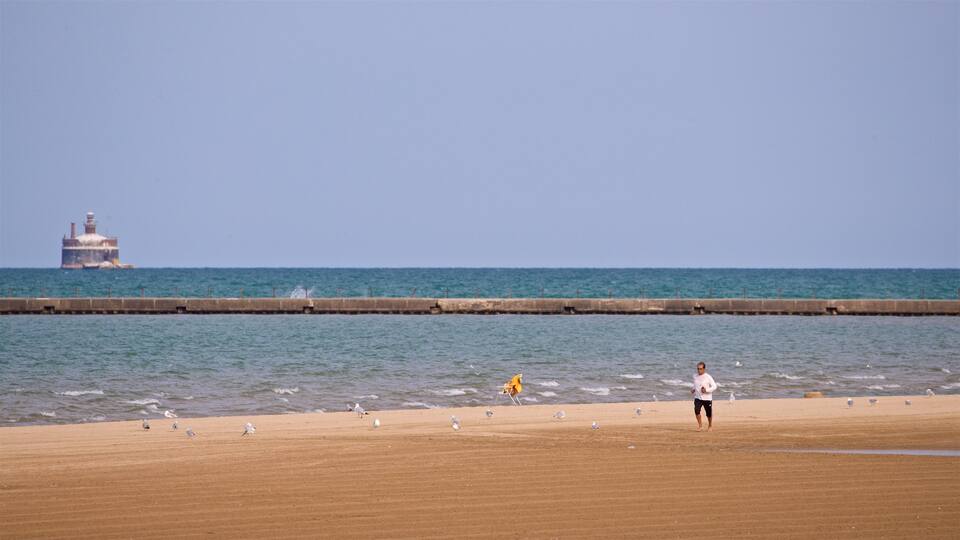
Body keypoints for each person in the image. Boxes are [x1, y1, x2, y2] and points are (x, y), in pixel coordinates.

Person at [690, 361, 717, 431]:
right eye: (698, 369)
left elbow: (714, 386)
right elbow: (695, 384)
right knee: (696, 411)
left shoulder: (708, 377)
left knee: (708, 414)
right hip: (698, 398)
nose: (699, 370)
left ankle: (710, 426)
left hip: (707, 398)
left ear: (704, 369)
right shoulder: (695, 376)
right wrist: (693, 389)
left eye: (701, 369)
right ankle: (700, 426)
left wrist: (706, 390)